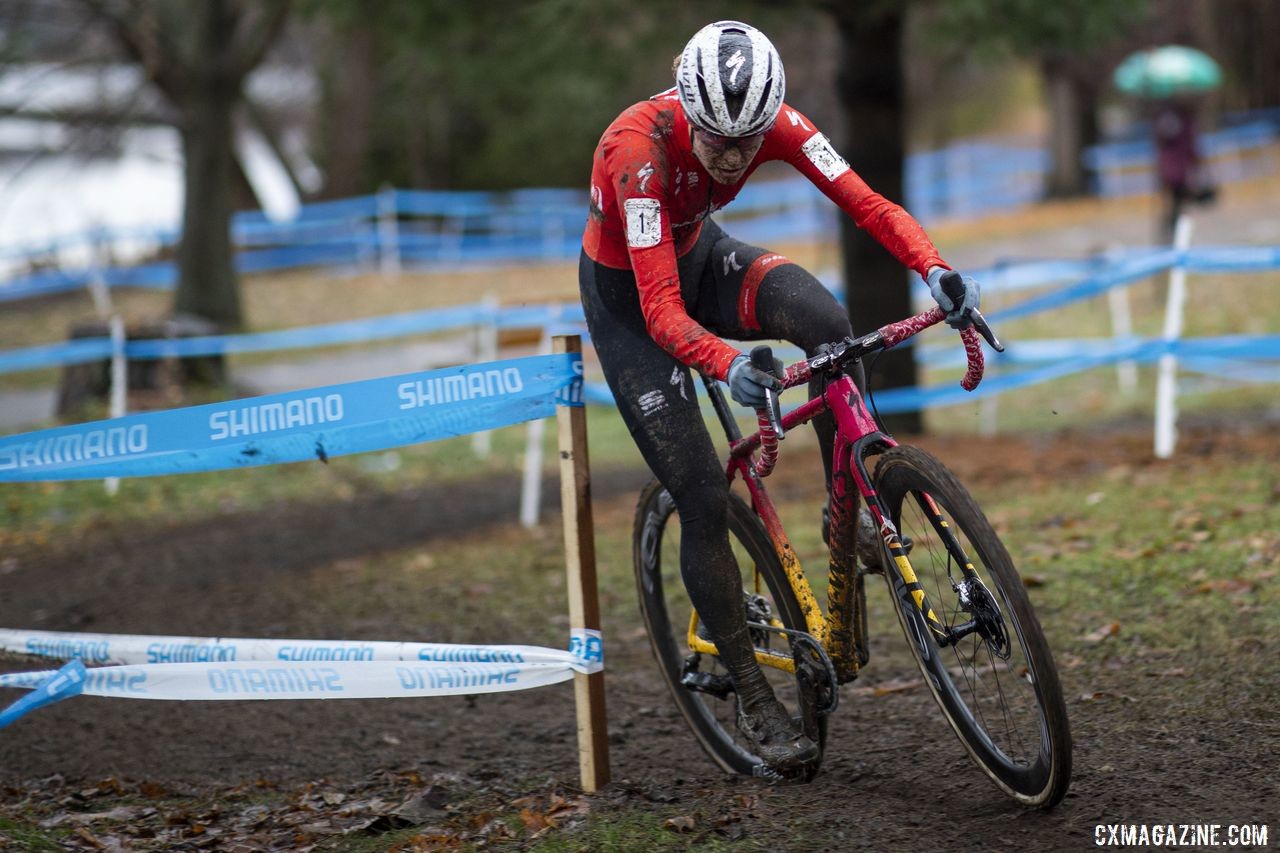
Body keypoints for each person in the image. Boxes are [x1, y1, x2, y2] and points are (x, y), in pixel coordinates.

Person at [578, 20, 980, 774]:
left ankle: (849, 511)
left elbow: (866, 202)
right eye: (716, 141)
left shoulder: (780, 123)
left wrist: (935, 269)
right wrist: (725, 362)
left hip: (701, 254)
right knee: (699, 491)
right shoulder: (633, 153)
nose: (733, 156)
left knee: (829, 324)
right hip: (632, 304)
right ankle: (757, 701)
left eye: (747, 142)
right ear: (686, 105)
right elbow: (664, 312)